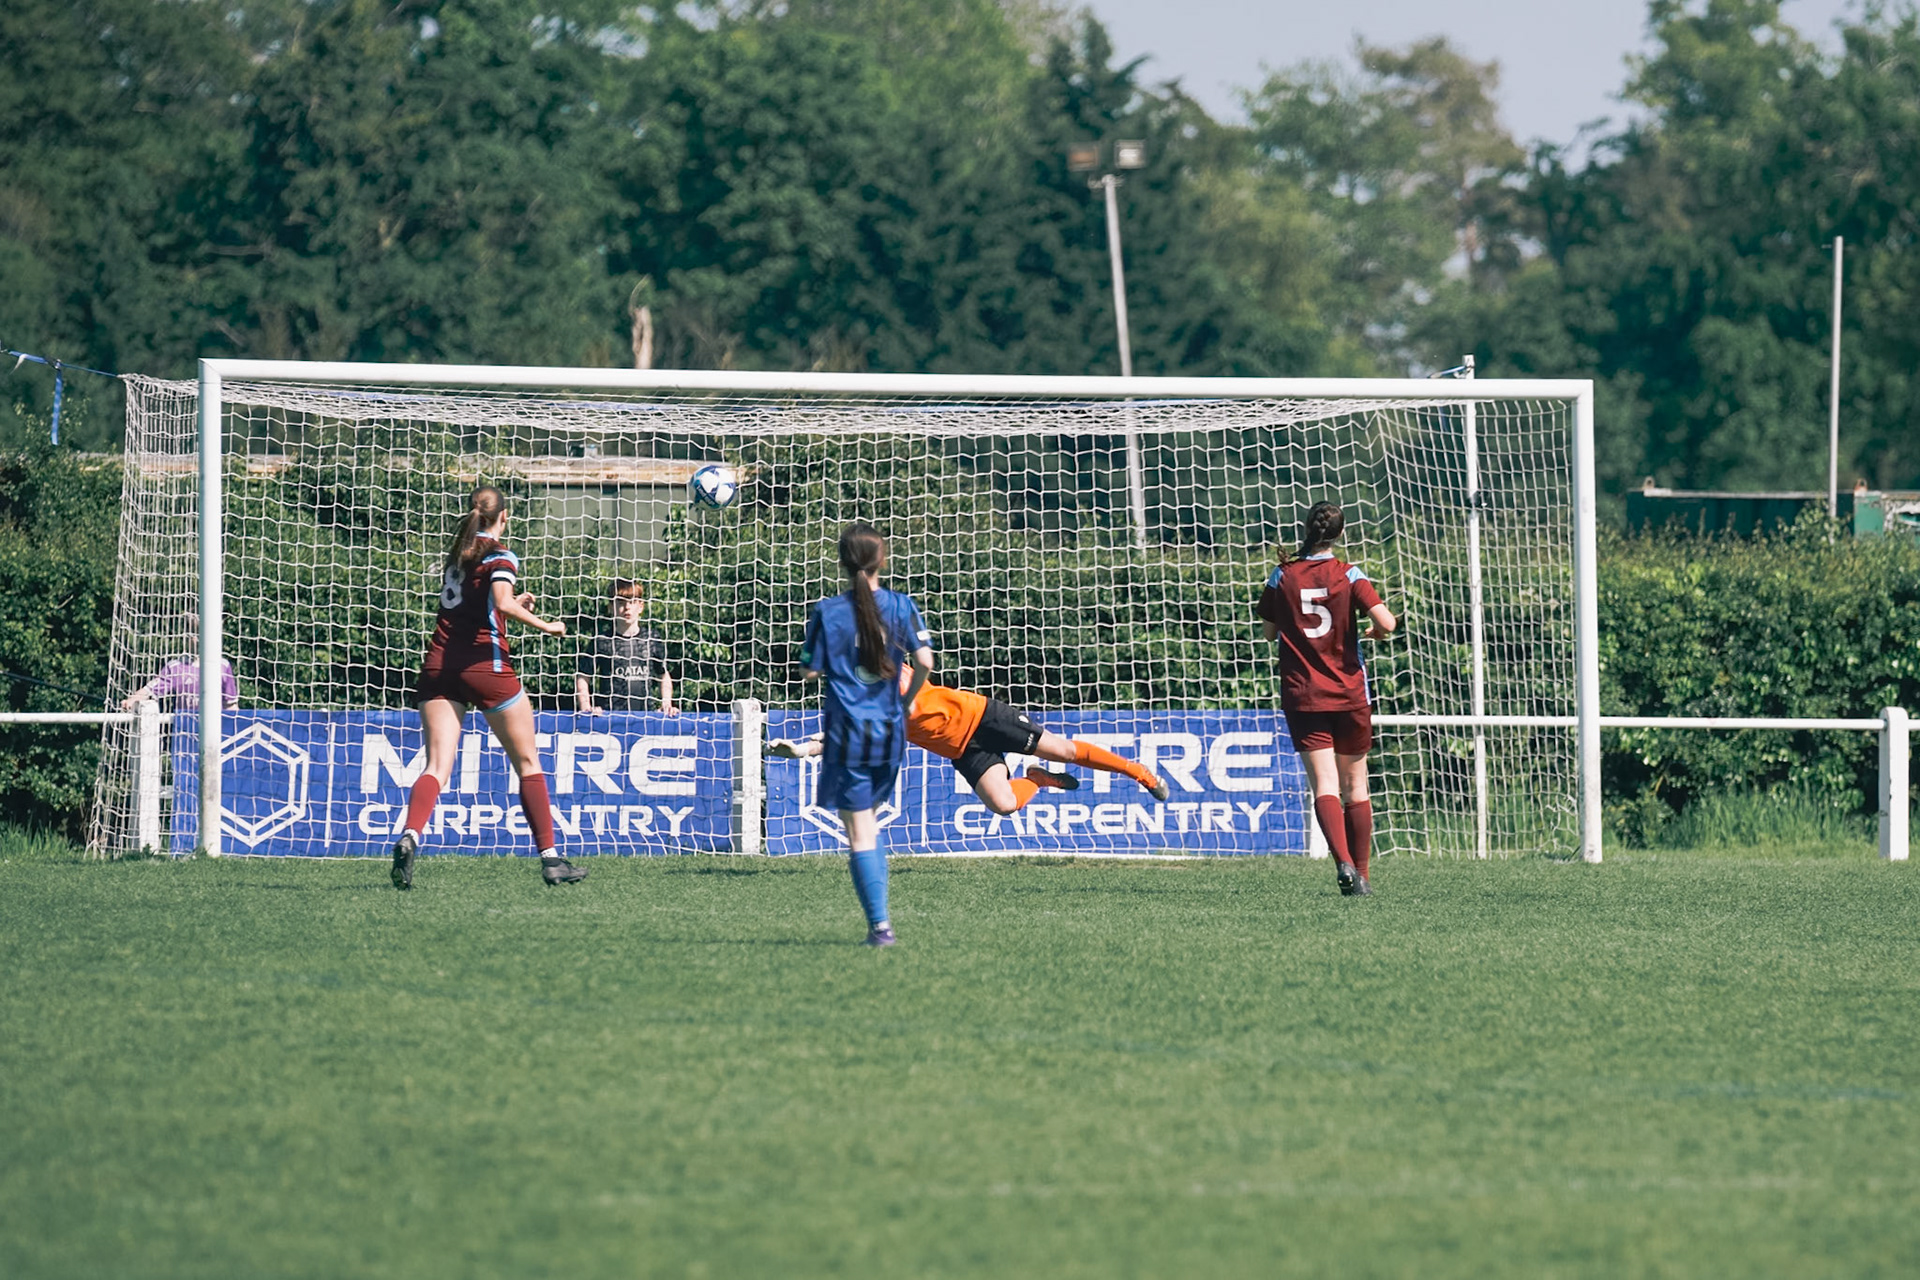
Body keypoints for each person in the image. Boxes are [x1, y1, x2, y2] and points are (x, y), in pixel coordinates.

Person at [389, 485, 583, 890]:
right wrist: (548, 625)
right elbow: (501, 601)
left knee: (436, 767)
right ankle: (551, 860)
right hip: (485, 667)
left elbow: (481, 605)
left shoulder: (458, 553)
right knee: (527, 762)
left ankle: (410, 834)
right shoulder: (500, 554)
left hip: (439, 666)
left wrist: (509, 605)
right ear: (504, 516)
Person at [798, 523, 934, 947]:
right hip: (890, 730)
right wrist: (907, 699)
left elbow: (808, 670)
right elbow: (926, 661)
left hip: (848, 732)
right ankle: (879, 925)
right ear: (882, 560)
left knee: (859, 830)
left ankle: (880, 928)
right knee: (868, 823)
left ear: (842, 562)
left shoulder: (828, 611)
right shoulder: (901, 605)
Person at [1255, 501, 1397, 896]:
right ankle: (1362, 874)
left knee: (1324, 785)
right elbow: (1387, 622)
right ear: (1340, 533)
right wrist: (1376, 632)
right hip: (1349, 692)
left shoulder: (1282, 574)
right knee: (1356, 785)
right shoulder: (1349, 573)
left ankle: (1343, 864)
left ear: (1307, 529)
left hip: (1304, 694)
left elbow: (1269, 632)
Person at [772, 676, 1170, 814]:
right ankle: (1037, 780)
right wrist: (802, 750)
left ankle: (1138, 772)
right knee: (1004, 805)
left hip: (983, 717)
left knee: (1065, 751)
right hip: (964, 750)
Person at [575, 578, 675, 716]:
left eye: (632, 602)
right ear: (611, 607)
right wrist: (586, 707)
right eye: (621, 602)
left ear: (640, 606)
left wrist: (666, 704)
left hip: (645, 718)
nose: (627, 607)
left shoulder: (652, 639)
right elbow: (583, 676)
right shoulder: (602, 640)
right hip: (610, 718)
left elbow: (663, 675)